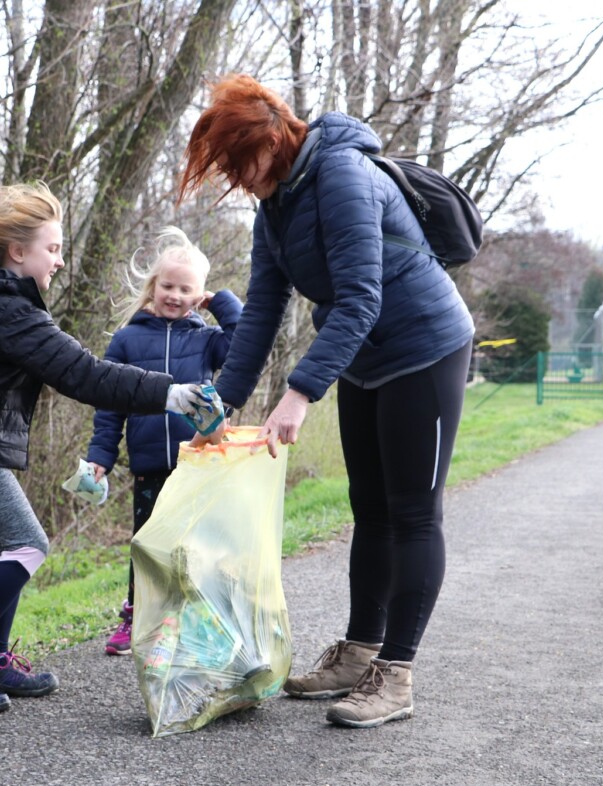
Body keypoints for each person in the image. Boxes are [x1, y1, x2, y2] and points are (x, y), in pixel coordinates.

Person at [178, 75, 474, 728]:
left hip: (424, 348)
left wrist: (298, 393)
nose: (235, 177)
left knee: (412, 512)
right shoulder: (276, 206)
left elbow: (361, 296)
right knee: (367, 506)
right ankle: (358, 651)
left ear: (275, 139)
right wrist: (220, 404)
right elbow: (260, 312)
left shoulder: (341, 175)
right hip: (364, 359)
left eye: (237, 161)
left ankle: (394, 675)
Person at [0, 183, 214, 713]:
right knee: (28, 543)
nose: (61, 261)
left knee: (13, 542)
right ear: (17, 251)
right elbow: (83, 373)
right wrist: (172, 393)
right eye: (53, 248)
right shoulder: (6, 307)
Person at [83, 226, 243, 656]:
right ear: (153, 286)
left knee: (199, 542)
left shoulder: (208, 340)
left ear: (199, 294)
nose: (174, 294)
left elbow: (246, 342)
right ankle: (137, 614)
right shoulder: (126, 340)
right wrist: (102, 455)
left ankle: (195, 615)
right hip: (150, 460)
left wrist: (221, 302)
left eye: (186, 288)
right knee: (148, 540)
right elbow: (108, 404)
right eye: (167, 285)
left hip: (199, 459)